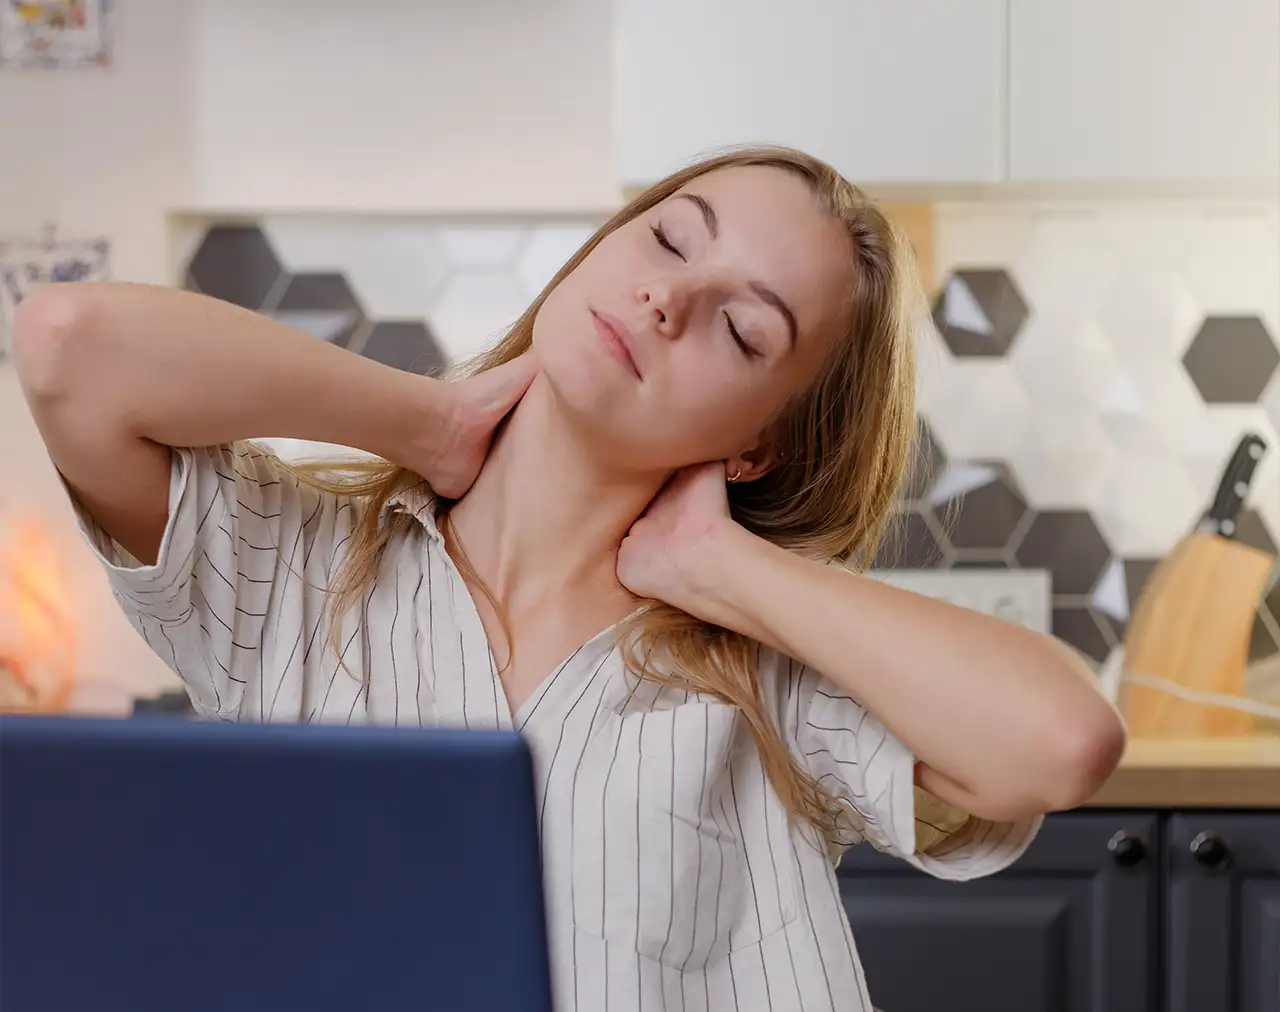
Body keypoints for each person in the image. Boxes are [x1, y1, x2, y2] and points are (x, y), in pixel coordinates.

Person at [13, 145, 1126, 1012]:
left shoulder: (768, 675)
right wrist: (434, 419)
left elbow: (1060, 738)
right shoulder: (291, 575)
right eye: (666, 240)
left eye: (740, 332)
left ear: (756, 447)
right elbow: (66, 342)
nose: (667, 301)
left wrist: (716, 563)